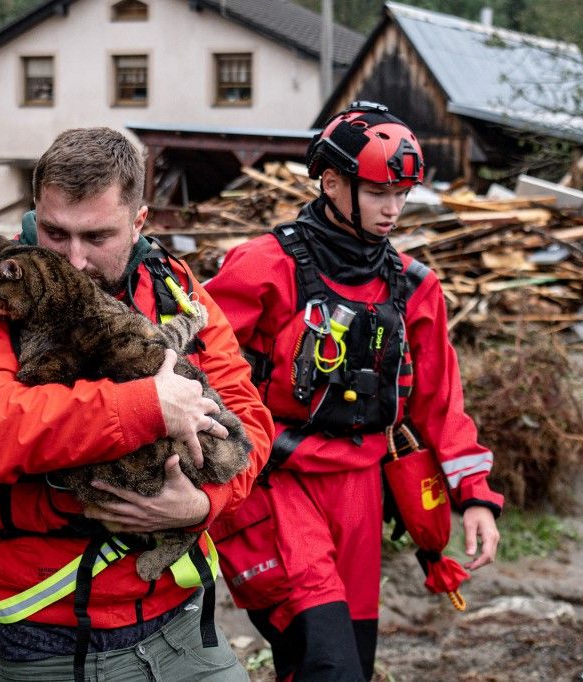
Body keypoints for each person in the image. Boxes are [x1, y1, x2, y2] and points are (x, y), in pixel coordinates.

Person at [0, 127, 273, 681]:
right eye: (56, 232)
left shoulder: (176, 291)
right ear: (35, 211)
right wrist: (148, 406)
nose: (75, 259)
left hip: (181, 622)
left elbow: (250, 422)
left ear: (139, 222)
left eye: (97, 237)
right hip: (50, 630)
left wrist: (204, 505)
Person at [205, 102, 504, 681]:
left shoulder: (416, 287)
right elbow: (197, 362)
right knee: (327, 664)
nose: (393, 209)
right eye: (378, 192)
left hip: (362, 491)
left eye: (402, 194)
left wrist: (474, 494)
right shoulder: (263, 265)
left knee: (349, 668)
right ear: (334, 182)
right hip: (278, 482)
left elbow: (441, 404)